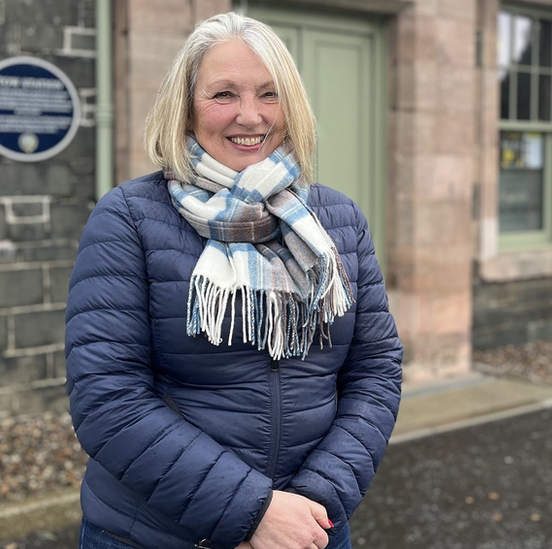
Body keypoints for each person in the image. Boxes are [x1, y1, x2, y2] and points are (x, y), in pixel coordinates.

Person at [64, 12, 403, 549]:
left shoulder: (338, 219)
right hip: (158, 535)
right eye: (224, 94)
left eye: (270, 94)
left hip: (309, 530)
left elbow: (375, 372)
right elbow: (109, 398)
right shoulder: (129, 216)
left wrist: (313, 504)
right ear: (186, 108)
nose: (251, 115)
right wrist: (253, 512)